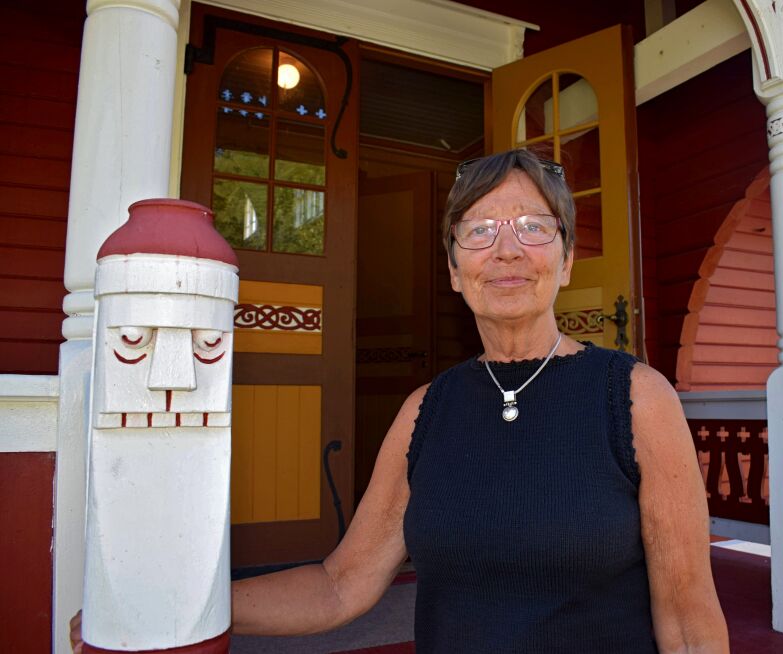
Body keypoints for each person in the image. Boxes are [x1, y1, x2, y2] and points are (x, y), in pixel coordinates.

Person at [73, 149, 728, 653]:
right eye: (478, 231)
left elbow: (688, 618)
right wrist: (174, 602)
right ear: (452, 268)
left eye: (533, 227)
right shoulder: (426, 412)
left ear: (568, 259)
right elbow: (341, 587)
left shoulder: (636, 399)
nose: (505, 249)